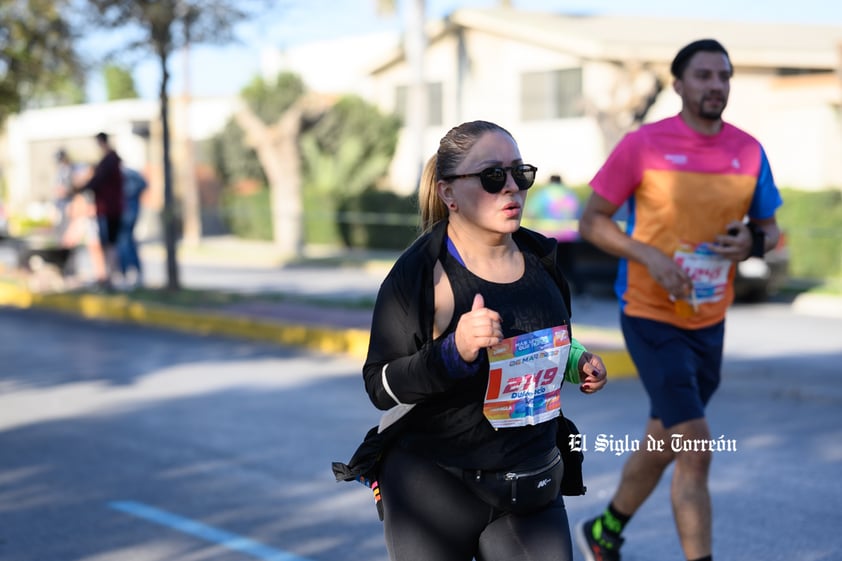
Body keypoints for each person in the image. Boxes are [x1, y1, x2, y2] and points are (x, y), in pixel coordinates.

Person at [333, 120, 608, 561]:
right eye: (493, 176)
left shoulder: (541, 259)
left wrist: (578, 363)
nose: (512, 188)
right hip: (434, 487)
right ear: (448, 193)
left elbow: (542, 346)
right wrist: (453, 352)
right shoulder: (423, 273)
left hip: (529, 479)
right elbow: (380, 386)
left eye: (521, 174)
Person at [574, 39, 782, 561]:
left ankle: (605, 531)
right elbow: (592, 221)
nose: (716, 85)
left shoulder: (749, 150)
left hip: (709, 321)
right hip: (650, 314)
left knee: (667, 439)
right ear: (679, 85)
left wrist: (750, 244)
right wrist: (648, 255)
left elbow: (770, 230)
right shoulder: (643, 144)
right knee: (695, 444)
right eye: (705, 75)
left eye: (724, 76)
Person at [76, 132, 124, 289]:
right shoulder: (111, 160)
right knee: (109, 244)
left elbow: (97, 181)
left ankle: (112, 278)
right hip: (109, 207)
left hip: (109, 208)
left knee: (110, 244)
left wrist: (80, 188)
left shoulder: (109, 161)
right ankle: (109, 277)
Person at [117, 166, 148, 289]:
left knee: (124, 242)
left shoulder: (125, 174)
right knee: (128, 241)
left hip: (127, 211)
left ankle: (127, 273)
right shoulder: (132, 174)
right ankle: (135, 272)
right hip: (130, 210)